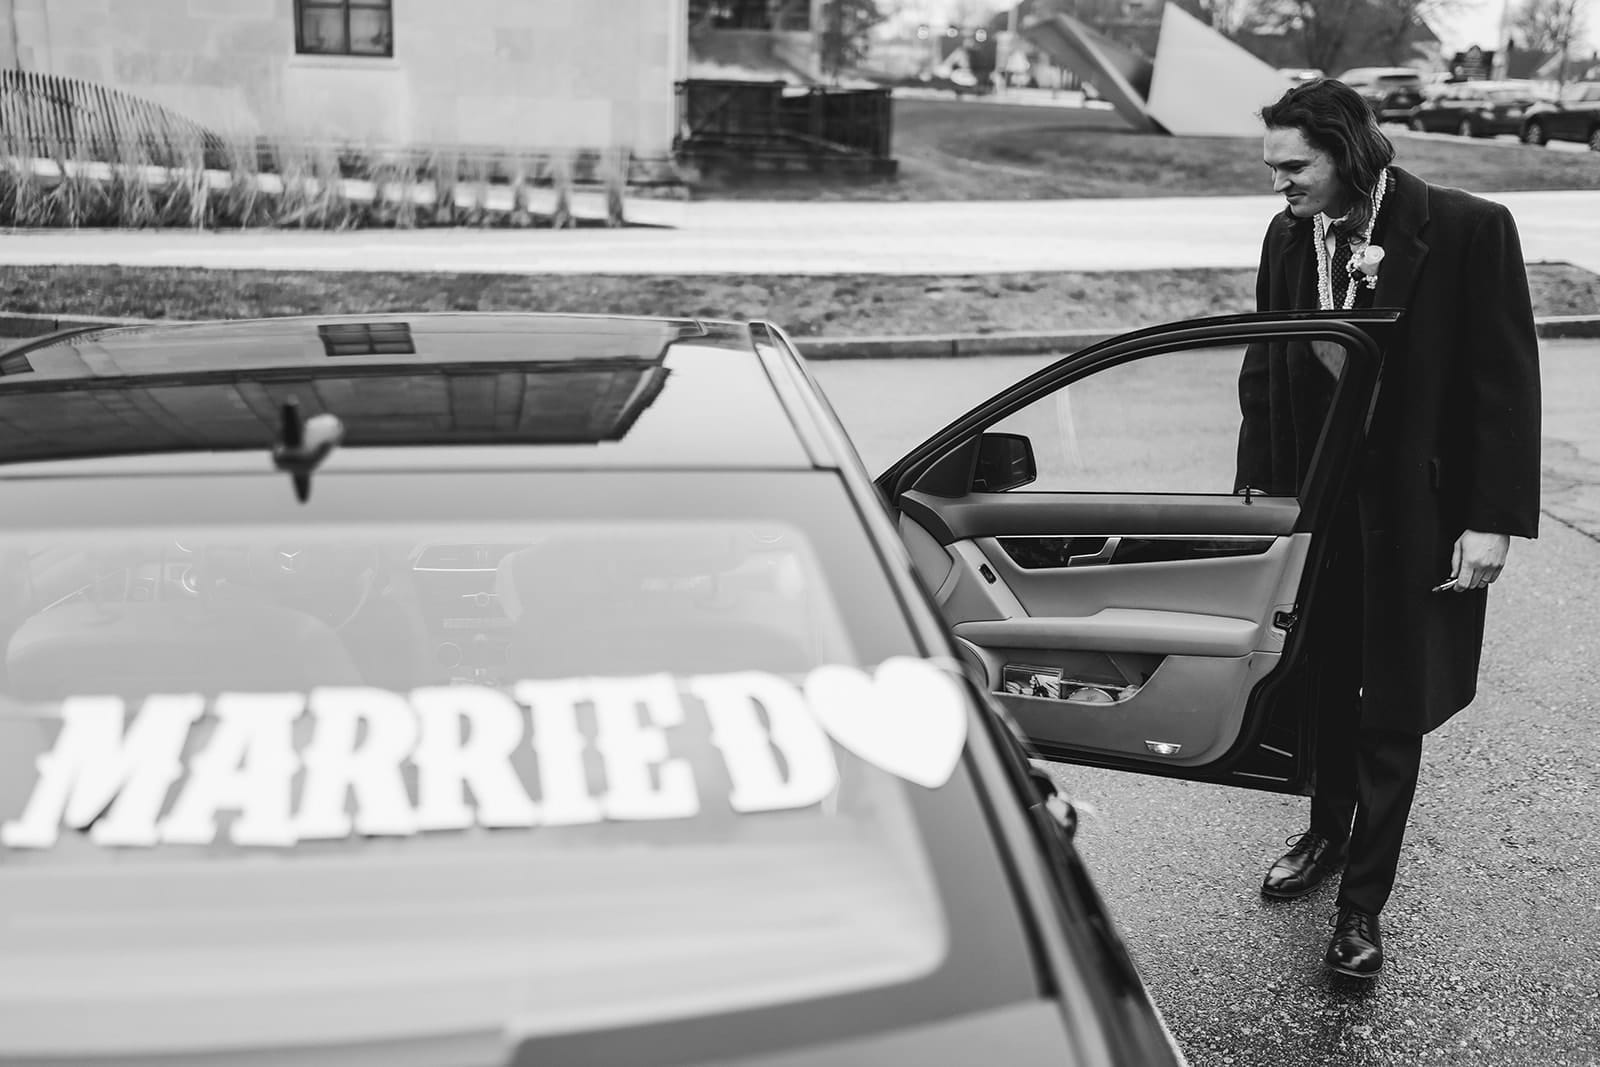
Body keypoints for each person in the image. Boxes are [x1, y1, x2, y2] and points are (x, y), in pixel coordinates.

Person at [1236, 79, 1541, 978]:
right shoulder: (1288, 235)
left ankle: (1363, 906)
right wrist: (1259, 501)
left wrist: (1491, 524)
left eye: (1294, 167)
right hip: (1317, 513)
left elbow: (1503, 386)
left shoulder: (1468, 228)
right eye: (1272, 168)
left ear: (1348, 153)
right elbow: (1267, 368)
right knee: (1320, 683)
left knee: (1391, 705)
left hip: (1419, 514)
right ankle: (1327, 831)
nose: (1279, 184)